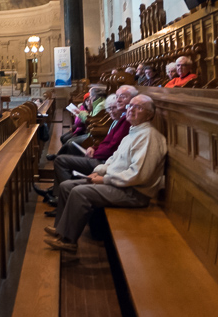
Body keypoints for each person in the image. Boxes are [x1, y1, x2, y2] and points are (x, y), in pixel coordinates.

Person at [45, 95, 167, 254]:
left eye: (139, 107)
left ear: (150, 115)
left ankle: (69, 242)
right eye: (130, 106)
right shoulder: (134, 132)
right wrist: (98, 171)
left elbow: (138, 176)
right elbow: (113, 159)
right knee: (66, 186)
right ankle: (62, 230)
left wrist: (104, 179)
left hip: (134, 193)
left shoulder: (149, 137)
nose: (131, 110)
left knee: (79, 192)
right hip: (119, 185)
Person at [37, 94, 132, 213]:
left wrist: (95, 152)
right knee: (64, 154)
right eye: (109, 109)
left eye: (114, 108)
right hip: (101, 157)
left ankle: (62, 199)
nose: (110, 112)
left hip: (104, 161)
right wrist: (93, 147)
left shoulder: (125, 123)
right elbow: (107, 142)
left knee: (63, 157)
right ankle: (56, 194)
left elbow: (112, 147)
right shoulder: (119, 120)